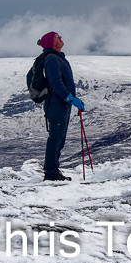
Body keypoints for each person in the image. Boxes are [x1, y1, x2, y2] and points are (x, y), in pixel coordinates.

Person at [36, 31, 84, 182]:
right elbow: (56, 82)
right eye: (57, 37)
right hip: (57, 104)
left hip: (61, 104)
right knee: (56, 138)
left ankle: (53, 171)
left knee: (59, 138)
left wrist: (70, 100)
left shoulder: (56, 58)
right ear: (51, 42)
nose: (61, 38)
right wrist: (70, 98)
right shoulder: (52, 59)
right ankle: (50, 174)